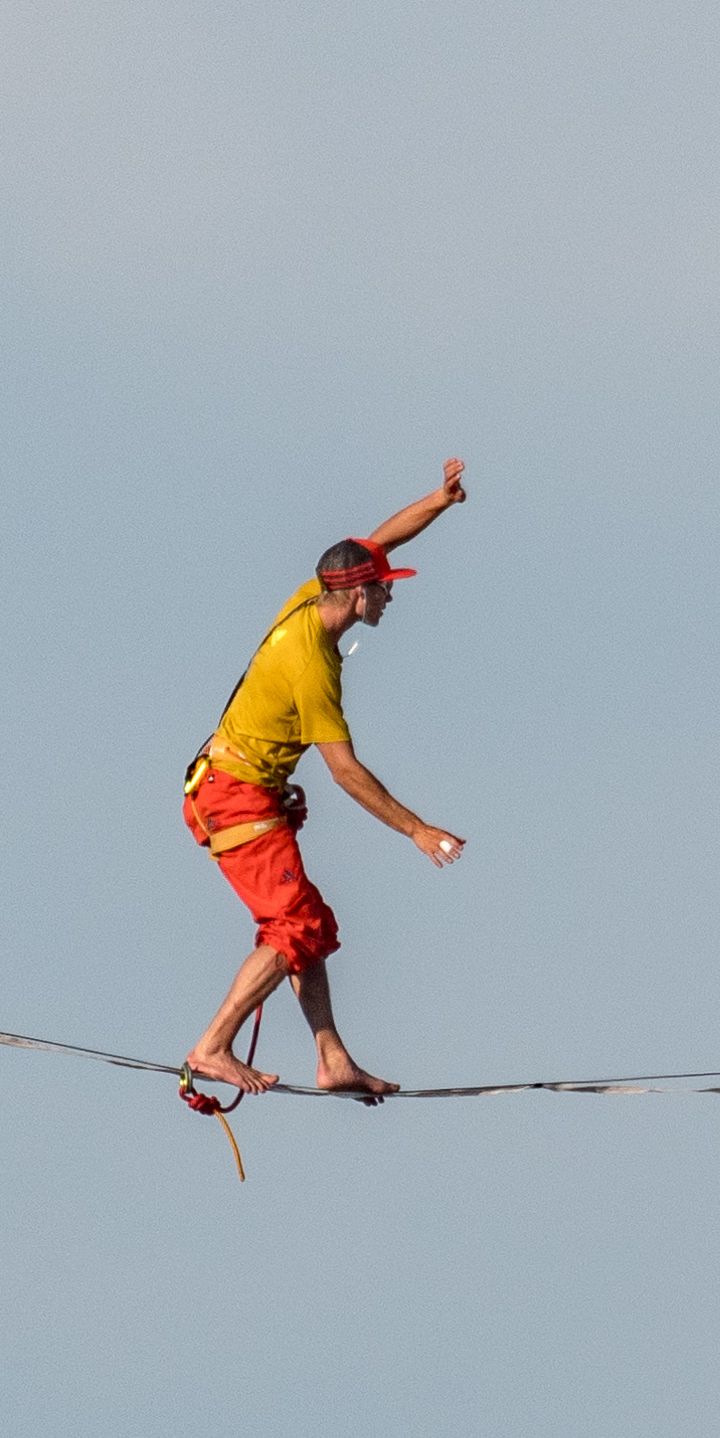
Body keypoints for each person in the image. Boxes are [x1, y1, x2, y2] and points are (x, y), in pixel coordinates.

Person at [178, 460, 470, 1104]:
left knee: (306, 922)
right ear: (358, 595)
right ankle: (213, 1045)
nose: (391, 595)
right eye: (386, 589)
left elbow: (381, 539)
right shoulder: (314, 666)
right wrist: (417, 830)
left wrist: (439, 501)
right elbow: (345, 772)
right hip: (234, 799)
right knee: (297, 928)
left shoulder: (314, 595)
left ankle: (332, 1058)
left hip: (240, 789)